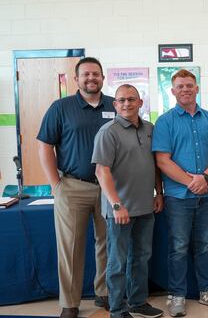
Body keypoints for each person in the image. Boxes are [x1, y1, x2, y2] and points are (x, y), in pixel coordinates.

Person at [36, 57, 113, 318]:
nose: (91, 78)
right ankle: (70, 302)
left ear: (103, 78)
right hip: (73, 186)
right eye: (86, 75)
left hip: (109, 189)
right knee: (70, 247)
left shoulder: (116, 105)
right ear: (77, 79)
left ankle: (105, 293)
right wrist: (56, 184)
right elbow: (45, 146)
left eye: (96, 74)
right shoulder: (61, 108)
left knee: (108, 243)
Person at [152, 69, 208, 316]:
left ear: (197, 88)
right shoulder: (165, 121)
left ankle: (206, 291)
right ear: (172, 91)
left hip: (207, 196)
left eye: (189, 85)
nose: (185, 89)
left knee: (205, 245)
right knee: (179, 246)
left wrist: (205, 178)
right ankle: (177, 295)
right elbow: (162, 161)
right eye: (180, 86)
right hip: (178, 197)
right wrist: (192, 182)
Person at [92, 84, 164, 318]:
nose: (126, 104)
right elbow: (102, 171)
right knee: (117, 262)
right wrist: (116, 205)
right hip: (119, 211)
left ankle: (137, 302)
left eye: (131, 99)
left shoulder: (150, 129)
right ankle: (117, 309)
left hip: (145, 207)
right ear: (115, 104)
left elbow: (155, 165)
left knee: (141, 258)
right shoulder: (108, 131)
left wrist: (159, 193)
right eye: (121, 100)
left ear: (140, 103)